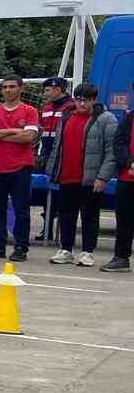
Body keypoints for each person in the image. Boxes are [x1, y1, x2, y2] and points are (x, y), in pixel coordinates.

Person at [45, 83, 116, 267]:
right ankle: (66, 250)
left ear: (94, 100)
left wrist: (103, 177)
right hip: (66, 175)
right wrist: (53, 170)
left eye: (86, 100)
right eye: (78, 99)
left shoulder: (107, 119)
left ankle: (87, 252)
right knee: (66, 215)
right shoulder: (66, 116)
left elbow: (111, 151)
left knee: (89, 216)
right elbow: (57, 146)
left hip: (90, 178)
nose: (82, 104)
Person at [0, 75, 40, 262]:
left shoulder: (29, 111)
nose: (7, 90)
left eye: (12, 86)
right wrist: (12, 131)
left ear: (20, 89)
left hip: (20, 167)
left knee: (21, 210)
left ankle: (21, 247)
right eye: (5, 87)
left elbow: (28, 137)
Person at [35, 77, 73, 242]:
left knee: (63, 193)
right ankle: (48, 227)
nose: (46, 93)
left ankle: (62, 231)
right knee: (46, 191)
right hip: (46, 153)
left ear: (58, 89)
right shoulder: (46, 107)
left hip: (63, 153)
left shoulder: (71, 107)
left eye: (48, 90)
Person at [103, 110, 134, 273]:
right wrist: (129, 163)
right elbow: (119, 142)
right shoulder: (129, 117)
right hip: (127, 178)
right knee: (124, 220)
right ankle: (121, 258)